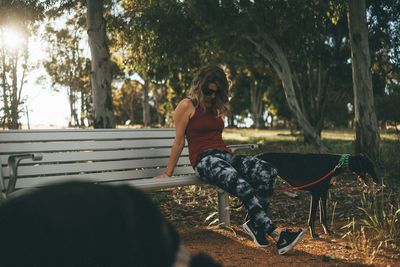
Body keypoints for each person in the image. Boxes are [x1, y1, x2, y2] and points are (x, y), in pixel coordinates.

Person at [156, 65, 304, 255]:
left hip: (225, 156)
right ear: (198, 85)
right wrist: (168, 172)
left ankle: (253, 223)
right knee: (241, 184)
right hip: (205, 161)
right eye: (208, 91)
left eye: (216, 93)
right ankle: (276, 234)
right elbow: (178, 142)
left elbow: (216, 137)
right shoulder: (187, 106)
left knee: (267, 171)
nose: (211, 96)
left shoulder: (215, 107)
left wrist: (230, 158)